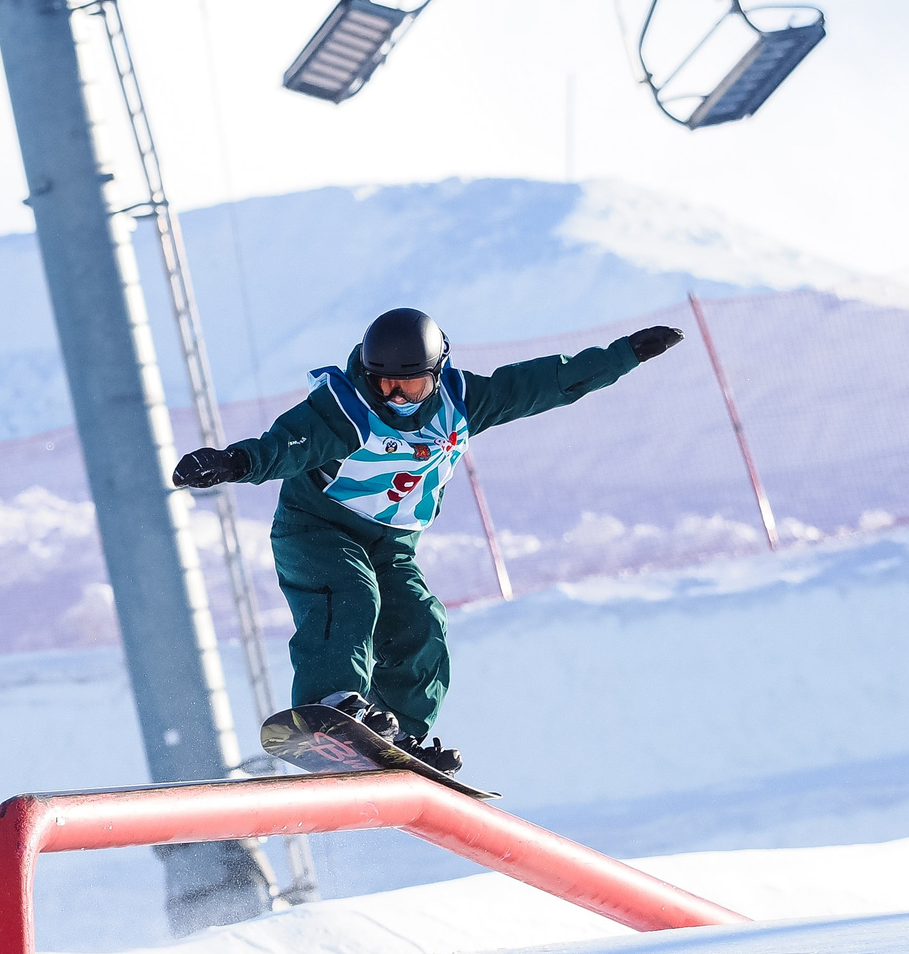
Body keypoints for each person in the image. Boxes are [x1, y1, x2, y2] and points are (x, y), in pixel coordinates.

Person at [171, 307, 686, 775]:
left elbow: (546, 382)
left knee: (421, 622)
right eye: (385, 385)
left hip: (392, 544)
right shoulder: (346, 408)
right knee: (351, 595)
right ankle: (331, 703)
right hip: (319, 529)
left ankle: (396, 733)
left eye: (411, 387)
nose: (396, 398)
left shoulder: (463, 401)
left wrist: (625, 355)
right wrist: (234, 462)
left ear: (436, 374)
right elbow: (286, 445)